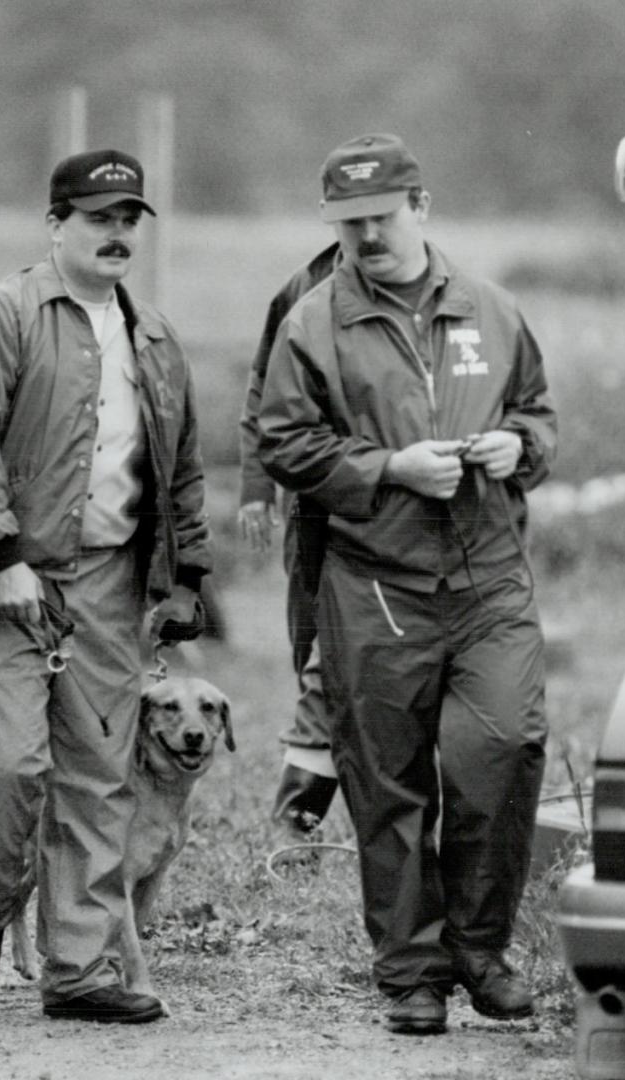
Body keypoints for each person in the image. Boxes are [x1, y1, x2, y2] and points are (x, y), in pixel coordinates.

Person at [257, 133, 557, 1035]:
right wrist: (390, 467)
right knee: (387, 783)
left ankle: (479, 947)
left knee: (502, 748)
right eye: (347, 223)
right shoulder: (314, 322)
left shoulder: (493, 311)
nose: (364, 237)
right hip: (375, 583)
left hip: (489, 579)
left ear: (420, 207)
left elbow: (538, 415)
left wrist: (520, 447)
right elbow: (282, 440)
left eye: (380, 218)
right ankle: (411, 974)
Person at [0, 149, 211, 1024]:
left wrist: (183, 579)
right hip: (9, 583)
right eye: (99, 218)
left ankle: (81, 968)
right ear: (56, 225)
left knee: (97, 775)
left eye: (129, 220)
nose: (117, 234)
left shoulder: (156, 340)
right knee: (2, 766)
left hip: (113, 583)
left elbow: (184, 469)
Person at [236, 242, 345, 847]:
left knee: (333, 664)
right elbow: (263, 389)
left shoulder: (432, 291)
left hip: (396, 510)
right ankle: (304, 821)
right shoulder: (302, 289)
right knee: (309, 651)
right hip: (313, 507)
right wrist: (257, 486)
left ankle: (295, 828)